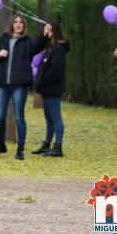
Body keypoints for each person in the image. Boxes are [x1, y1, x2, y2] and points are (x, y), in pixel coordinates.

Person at [0, 15, 50, 160]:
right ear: (11, 24)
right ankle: (0, 145)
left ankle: (20, 149)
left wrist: (45, 34)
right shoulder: (3, 38)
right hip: (2, 84)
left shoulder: (27, 41)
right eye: (15, 22)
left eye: (21, 22)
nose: (18, 24)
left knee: (19, 116)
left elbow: (38, 46)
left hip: (19, 84)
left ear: (24, 26)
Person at [32, 23, 70, 157]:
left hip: (52, 88)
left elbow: (55, 70)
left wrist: (43, 82)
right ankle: (47, 144)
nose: (45, 31)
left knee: (55, 117)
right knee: (49, 118)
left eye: (47, 29)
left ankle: (58, 147)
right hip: (46, 89)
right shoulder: (50, 47)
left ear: (52, 31)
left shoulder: (58, 49)